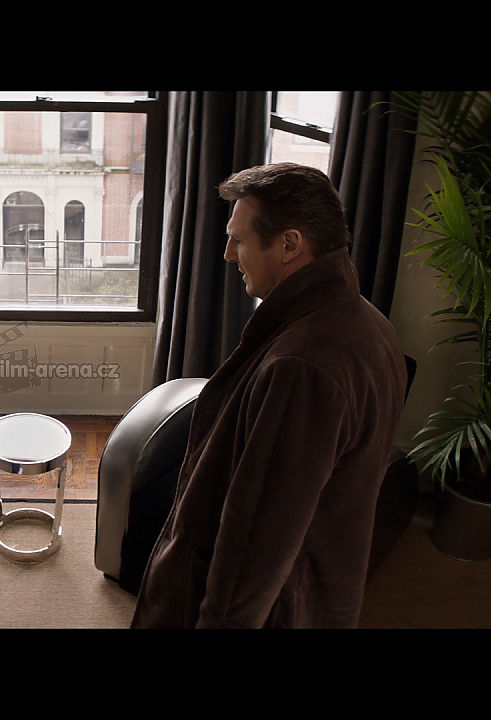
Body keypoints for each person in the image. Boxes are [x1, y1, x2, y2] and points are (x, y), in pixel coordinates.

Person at [131, 162, 407, 629]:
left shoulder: (302, 368)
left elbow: (258, 540)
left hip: (276, 607)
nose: (228, 254)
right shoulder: (369, 323)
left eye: (239, 240)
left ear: (289, 244)